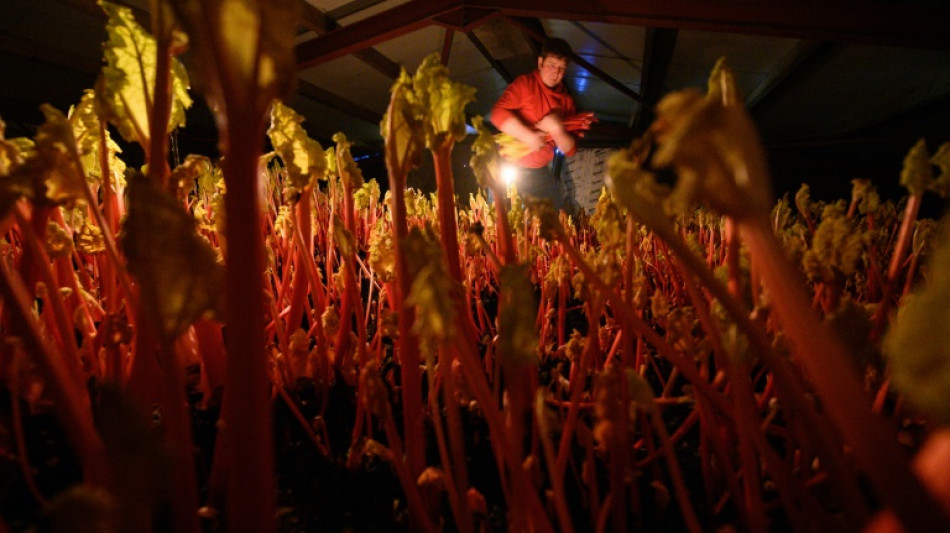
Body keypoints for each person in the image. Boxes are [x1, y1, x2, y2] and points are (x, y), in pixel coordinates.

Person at [490, 38, 594, 207]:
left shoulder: (566, 102)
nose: (556, 72)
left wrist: (556, 129)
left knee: (552, 217)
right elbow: (497, 114)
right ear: (540, 63)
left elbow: (570, 150)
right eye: (552, 65)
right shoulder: (525, 84)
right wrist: (529, 136)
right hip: (509, 168)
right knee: (505, 218)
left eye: (561, 68)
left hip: (539, 172)